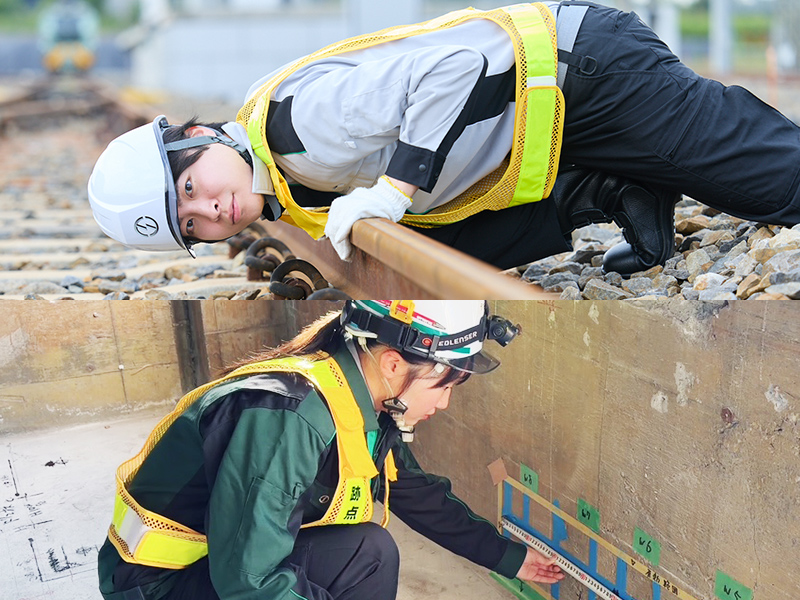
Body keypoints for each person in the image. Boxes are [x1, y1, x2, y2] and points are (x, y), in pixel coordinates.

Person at [88, 1, 800, 277]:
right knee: (432, 251)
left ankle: (627, 172)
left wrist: (394, 190)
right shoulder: (283, 179)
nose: (211, 212)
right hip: (555, 128)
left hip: (587, 75)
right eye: (193, 226)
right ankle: (615, 188)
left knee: (779, 188)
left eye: (191, 188)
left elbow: (455, 68)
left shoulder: (294, 128)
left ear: (194, 136)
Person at [97, 300, 564, 600]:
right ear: (393, 362)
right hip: (156, 586)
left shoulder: (358, 401)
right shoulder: (290, 417)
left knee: (369, 551)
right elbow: (249, 580)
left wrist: (510, 558)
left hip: (212, 564)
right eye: (444, 385)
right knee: (368, 552)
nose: (443, 403)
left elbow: (417, 493)